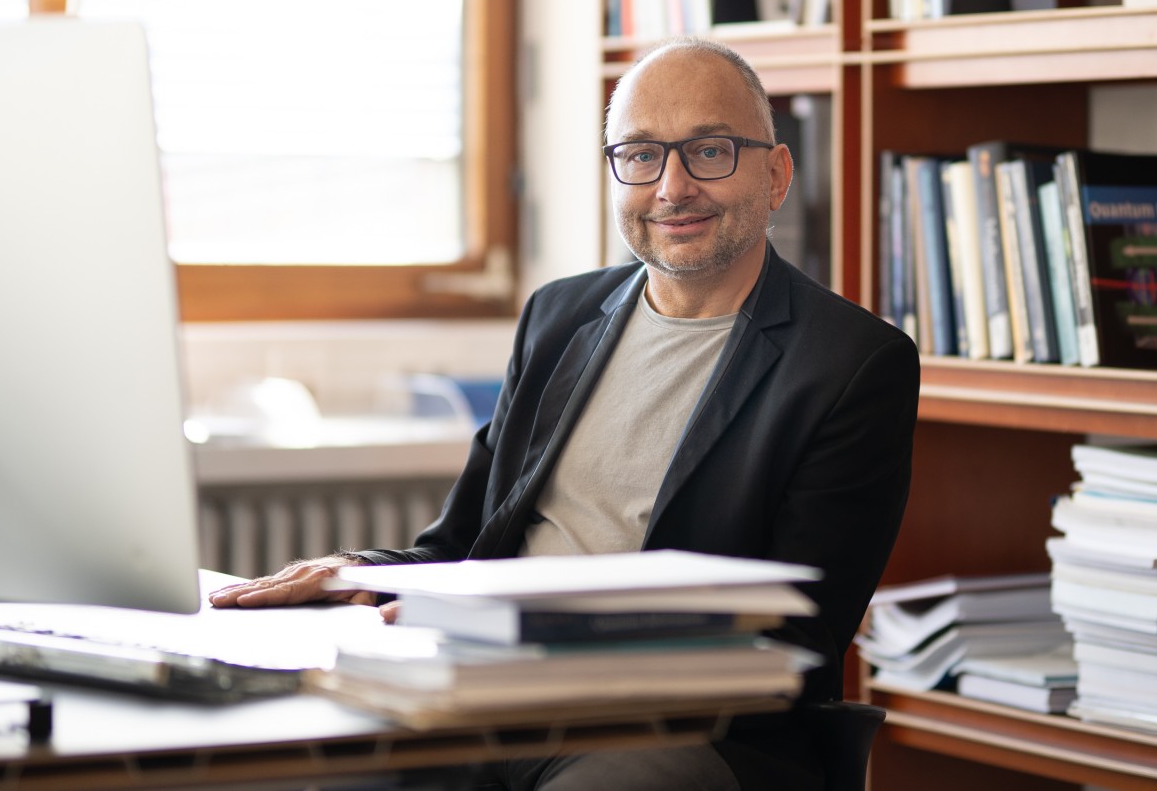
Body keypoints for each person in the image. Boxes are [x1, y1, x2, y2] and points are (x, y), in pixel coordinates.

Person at [210, 38, 920, 790]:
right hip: (474, 694)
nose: (673, 186)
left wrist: (532, 644)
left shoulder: (851, 362)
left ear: (776, 175)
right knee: (270, 758)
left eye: (710, 151)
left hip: (680, 730)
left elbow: (796, 635)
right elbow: (460, 550)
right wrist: (354, 572)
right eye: (641, 154)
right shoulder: (558, 316)